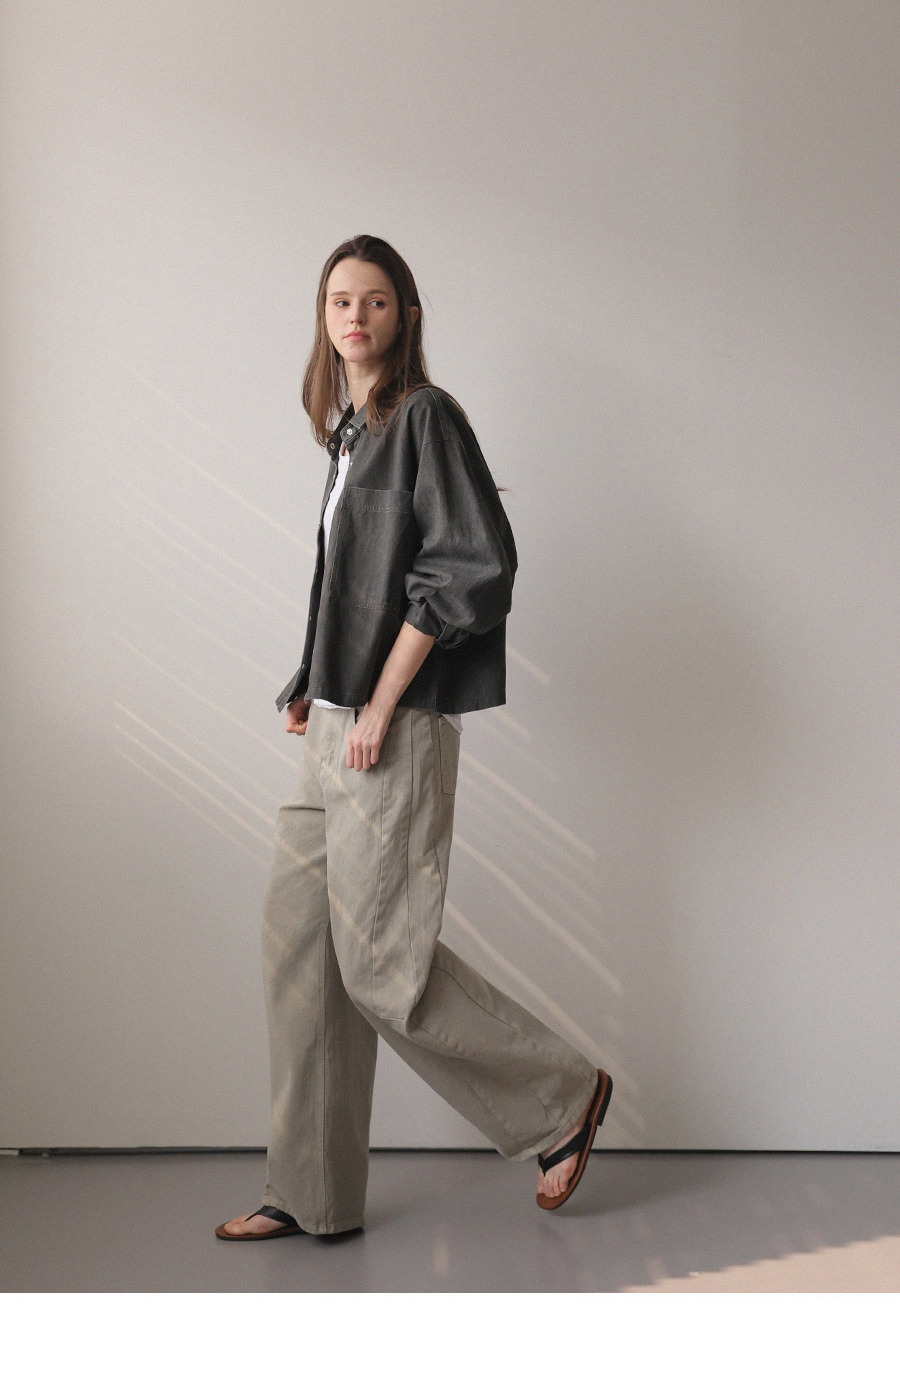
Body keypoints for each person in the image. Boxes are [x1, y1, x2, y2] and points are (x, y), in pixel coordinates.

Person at [216, 235, 612, 1241]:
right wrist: (313, 683)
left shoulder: (425, 417)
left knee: (380, 964)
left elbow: (472, 567)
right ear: (323, 317)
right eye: (339, 300)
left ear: (407, 316)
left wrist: (381, 702)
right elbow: (354, 580)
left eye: (376, 300)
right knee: (299, 950)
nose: (355, 316)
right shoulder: (348, 435)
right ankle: (309, 1190)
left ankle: (562, 1098)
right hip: (334, 722)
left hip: (387, 728)